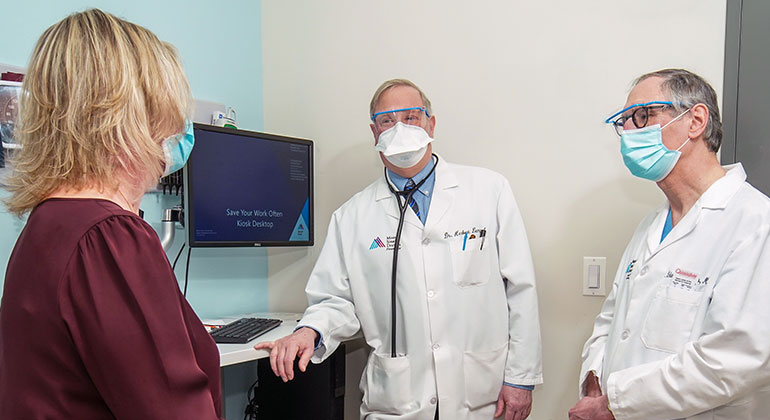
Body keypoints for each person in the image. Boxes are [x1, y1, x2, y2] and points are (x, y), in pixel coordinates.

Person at [255, 79, 543, 419]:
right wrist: (309, 330)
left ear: (431, 124)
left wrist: (521, 380)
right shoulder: (352, 216)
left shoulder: (488, 190)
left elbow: (520, 289)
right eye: (388, 121)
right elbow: (336, 300)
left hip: (481, 395)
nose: (400, 129)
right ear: (375, 132)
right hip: (397, 400)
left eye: (411, 117)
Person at [0, 9, 222, 419]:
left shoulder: (49, 223)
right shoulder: (108, 237)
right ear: (128, 115)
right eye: (167, 117)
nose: (171, 136)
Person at [569, 69, 770, 420]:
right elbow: (612, 320)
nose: (628, 133)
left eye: (642, 116)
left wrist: (618, 402)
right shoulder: (650, 226)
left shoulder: (754, 222)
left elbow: (738, 358)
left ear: (695, 121)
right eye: (624, 122)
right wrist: (595, 382)